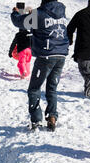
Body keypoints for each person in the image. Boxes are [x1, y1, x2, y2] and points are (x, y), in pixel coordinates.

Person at [11, 0, 69, 132]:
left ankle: (36, 120)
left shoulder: (39, 14)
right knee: (52, 88)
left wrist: (15, 12)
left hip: (46, 56)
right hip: (61, 55)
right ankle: (52, 117)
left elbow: (18, 22)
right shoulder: (62, 12)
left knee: (34, 88)